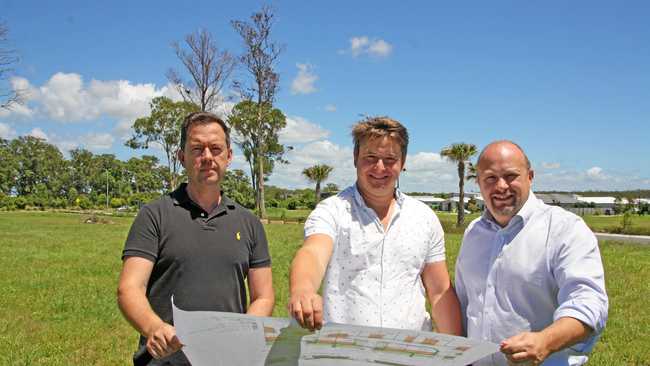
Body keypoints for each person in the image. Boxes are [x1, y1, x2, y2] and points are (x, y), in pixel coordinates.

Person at [117, 112, 274, 366]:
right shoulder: (154, 215)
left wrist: (243, 332)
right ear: (182, 157)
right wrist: (153, 327)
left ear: (229, 156)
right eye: (197, 149)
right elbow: (129, 288)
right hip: (165, 360)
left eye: (215, 148)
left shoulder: (249, 223)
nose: (207, 157)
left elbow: (263, 296)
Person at [289, 116, 462, 335]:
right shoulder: (331, 211)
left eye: (390, 159)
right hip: (344, 351)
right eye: (370, 157)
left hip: (408, 353)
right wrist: (303, 289)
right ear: (355, 158)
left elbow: (438, 292)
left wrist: (456, 352)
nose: (380, 168)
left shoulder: (424, 217)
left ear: (403, 162)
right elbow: (313, 252)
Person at [455, 140, 608, 365]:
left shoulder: (565, 229)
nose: (501, 186)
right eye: (490, 178)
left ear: (530, 176)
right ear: (478, 182)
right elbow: (465, 303)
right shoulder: (473, 233)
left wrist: (545, 341)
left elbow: (589, 302)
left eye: (510, 176)